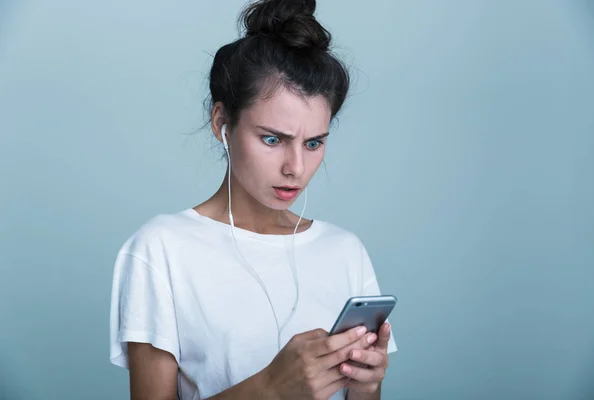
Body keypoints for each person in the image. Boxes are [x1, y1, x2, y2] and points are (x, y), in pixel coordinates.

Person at [109, 0, 397, 399]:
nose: (295, 167)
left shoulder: (345, 251)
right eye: (272, 139)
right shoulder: (161, 249)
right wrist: (271, 388)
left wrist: (368, 383)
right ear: (222, 123)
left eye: (314, 143)